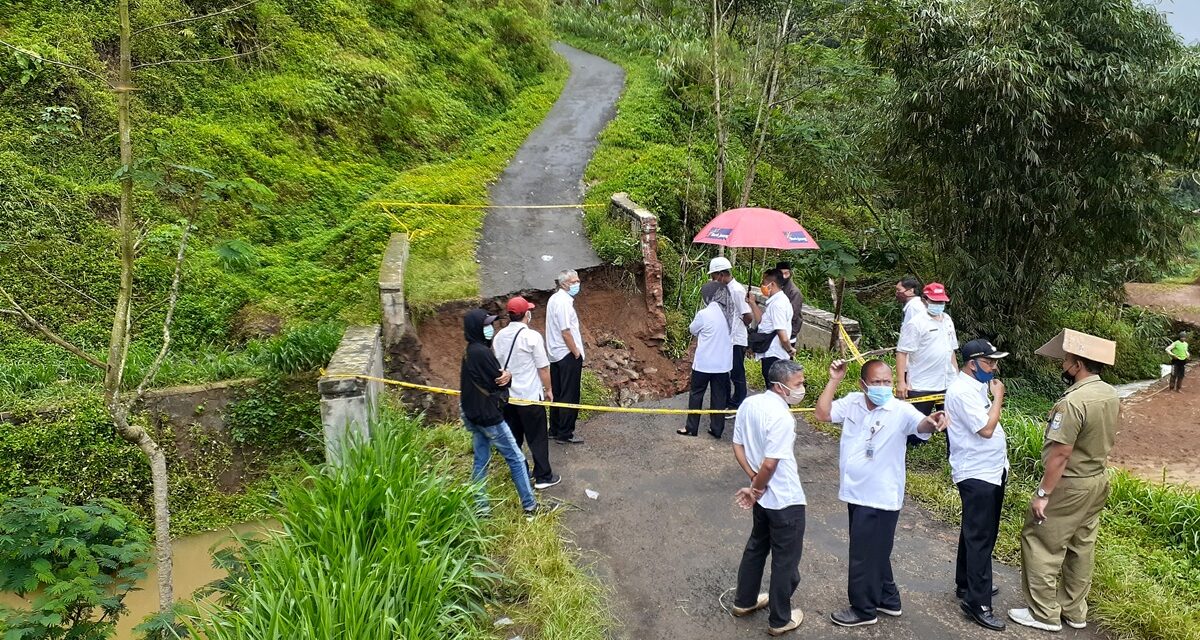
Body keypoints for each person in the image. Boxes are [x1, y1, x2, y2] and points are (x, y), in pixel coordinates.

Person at [815, 358, 949, 627]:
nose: (883, 387)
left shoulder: (900, 410)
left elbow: (920, 424)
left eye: (887, 382)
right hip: (855, 490)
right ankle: (888, 599)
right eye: (876, 382)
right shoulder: (853, 401)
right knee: (874, 550)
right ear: (863, 384)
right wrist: (834, 380)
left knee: (864, 554)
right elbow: (822, 414)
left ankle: (864, 610)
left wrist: (932, 421)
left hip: (880, 495)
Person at [1009, 330, 1119, 632]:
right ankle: (1074, 610)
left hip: (1069, 484)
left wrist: (1043, 493)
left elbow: (1060, 454)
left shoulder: (1073, 403)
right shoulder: (1109, 393)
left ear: (1078, 364)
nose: (1063, 365)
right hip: (1097, 480)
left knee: (1041, 541)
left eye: (1067, 360)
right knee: (1082, 545)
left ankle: (1043, 614)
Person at [729, 360, 808, 637]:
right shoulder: (783, 417)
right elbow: (771, 465)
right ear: (780, 386)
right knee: (785, 561)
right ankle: (779, 619)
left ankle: (744, 601)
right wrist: (757, 487)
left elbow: (737, 445)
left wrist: (753, 482)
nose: (802, 389)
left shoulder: (749, 404)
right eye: (798, 384)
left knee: (756, 547)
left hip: (763, 500)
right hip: (786, 499)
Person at [945, 339, 1011, 631]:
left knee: (975, 531)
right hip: (976, 473)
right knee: (981, 535)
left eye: (995, 362)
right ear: (972, 363)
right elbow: (986, 429)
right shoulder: (961, 391)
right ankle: (978, 602)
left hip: (992, 470)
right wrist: (999, 397)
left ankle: (966, 583)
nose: (994, 368)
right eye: (989, 362)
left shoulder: (976, 385)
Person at [459, 308, 537, 515]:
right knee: (517, 459)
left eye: (490, 324)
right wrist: (508, 376)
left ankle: (481, 509)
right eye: (486, 325)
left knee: (480, 461)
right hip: (489, 418)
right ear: (476, 328)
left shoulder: (469, 351)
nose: (490, 329)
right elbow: (499, 382)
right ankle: (530, 506)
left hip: (472, 416)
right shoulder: (482, 353)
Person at [493, 296, 559, 490]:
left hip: (508, 399)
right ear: (526, 315)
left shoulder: (499, 337)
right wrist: (549, 390)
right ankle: (543, 477)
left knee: (514, 439)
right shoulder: (532, 337)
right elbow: (543, 368)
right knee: (537, 438)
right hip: (530, 397)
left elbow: (497, 366)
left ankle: (521, 474)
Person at [896, 282, 958, 448]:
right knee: (916, 426)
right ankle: (905, 450)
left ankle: (953, 453)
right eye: (934, 302)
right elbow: (902, 352)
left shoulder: (948, 321)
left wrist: (957, 377)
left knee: (953, 424)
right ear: (925, 300)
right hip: (922, 383)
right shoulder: (916, 323)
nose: (938, 305)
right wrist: (901, 381)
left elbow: (951, 350)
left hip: (947, 381)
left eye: (941, 302)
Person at [679, 281, 734, 439]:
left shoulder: (704, 314)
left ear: (709, 297)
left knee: (696, 394)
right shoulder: (729, 313)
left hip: (704, 363)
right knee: (719, 396)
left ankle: (691, 427)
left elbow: (692, 329)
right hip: (723, 365)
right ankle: (717, 429)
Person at [709, 257, 753, 415]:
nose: (713, 280)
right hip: (728, 339)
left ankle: (738, 405)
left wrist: (739, 323)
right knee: (726, 371)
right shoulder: (726, 289)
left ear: (721, 274)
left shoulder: (736, 290)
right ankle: (728, 402)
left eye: (714, 277)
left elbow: (748, 316)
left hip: (737, 339)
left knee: (737, 373)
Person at [546, 269, 585, 444]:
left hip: (555, 355)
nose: (577, 284)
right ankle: (565, 433)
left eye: (577, 281)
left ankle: (554, 429)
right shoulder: (563, 302)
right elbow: (566, 332)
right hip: (566, 354)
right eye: (574, 282)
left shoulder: (554, 299)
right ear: (564, 284)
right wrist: (576, 352)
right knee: (570, 394)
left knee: (559, 393)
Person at [748, 269, 795, 384]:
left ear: (772, 284)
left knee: (776, 390)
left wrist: (790, 349)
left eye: (764, 283)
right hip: (770, 353)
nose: (762, 286)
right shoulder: (775, 302)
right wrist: (753, 303)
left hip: (775, 354)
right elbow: (763, 323)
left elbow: (782, 334)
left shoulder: (778, 305)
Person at [775, 261, 805, 346]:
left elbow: (792, 315)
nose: (784, 276)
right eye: (781, 273)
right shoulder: (777, 287)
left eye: (786, 273)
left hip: (789, 332)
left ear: (790, 273)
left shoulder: (794, 292)